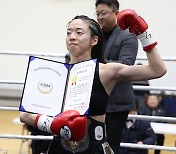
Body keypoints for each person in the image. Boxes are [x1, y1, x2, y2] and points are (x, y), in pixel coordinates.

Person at [20, 9, 167, 154]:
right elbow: (25, 115)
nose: (72, 36)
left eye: (79, 32)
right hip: (60, 148)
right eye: (69, 32)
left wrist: (143, 35)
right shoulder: (54, 75)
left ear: (94, 40)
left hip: (94, 148)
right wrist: (53, 124)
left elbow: (157, 70)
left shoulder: (106, 71)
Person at [95, 0, 138, 153]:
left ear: (116, 13)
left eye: (104, 13)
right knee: (93, 143)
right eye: (98, 13)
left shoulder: (128, 35)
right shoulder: (95, 34)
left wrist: (98, 65)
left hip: (117, 102)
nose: (100, 17)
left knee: (111, 145)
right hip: (95, 99)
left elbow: (126, 64)